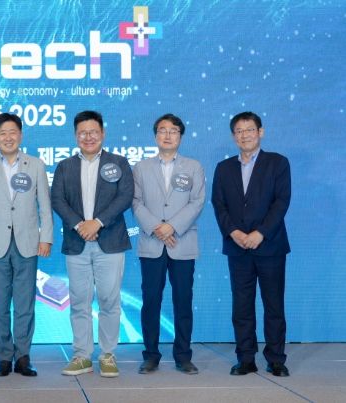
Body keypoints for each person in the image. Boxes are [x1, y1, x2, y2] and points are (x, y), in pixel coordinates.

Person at [51, 110, 133, 378]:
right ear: (76, 136)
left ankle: (108, 354)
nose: (88, 137)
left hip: (110, 241)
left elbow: (125, 197)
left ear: (103, 134)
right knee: (79, 302)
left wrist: (97, 223)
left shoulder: (119, 163)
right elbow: (58, 200)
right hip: (77, 243)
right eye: (83, 133)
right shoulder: (65, 166)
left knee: (109, 300)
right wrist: (80, 225)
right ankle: (82, 356)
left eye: (93, 132)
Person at [0, 113, 53, 377]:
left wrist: (46, 237)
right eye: (2, 133)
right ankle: (4, 357)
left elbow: (45, 205)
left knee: (25, 304)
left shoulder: (36, 165)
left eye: (12, 132)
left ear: (21, 135)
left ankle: (24, 356)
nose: (8, 137)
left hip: (28, 242)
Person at [211, 111, 291, 377]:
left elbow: (281, 202)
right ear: (233, 136)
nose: (244, 135)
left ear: (260, 132)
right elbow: (218, 204)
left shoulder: (277, 163)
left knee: (273, 305)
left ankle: (276, 359)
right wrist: (233, 232)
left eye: (249, 130)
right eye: (239, 131)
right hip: (238, 247)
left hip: (270, 246)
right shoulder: (224, 168)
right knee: (242, 306)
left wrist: (261, 233)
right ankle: (245, 358)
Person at [132, 114, 205, 375]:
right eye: (162, 130)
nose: (167, 135)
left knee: (183, 300)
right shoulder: (141, 167)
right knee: (151, 300)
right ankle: (151, 355)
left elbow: (197, 202)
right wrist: (157, 227)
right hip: (152, 244)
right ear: (155, 136)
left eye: (173, 131)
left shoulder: (193, 166)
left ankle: (183, 356)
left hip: (182, 243)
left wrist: (171, 226)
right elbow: (135, 202)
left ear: (180, 136)